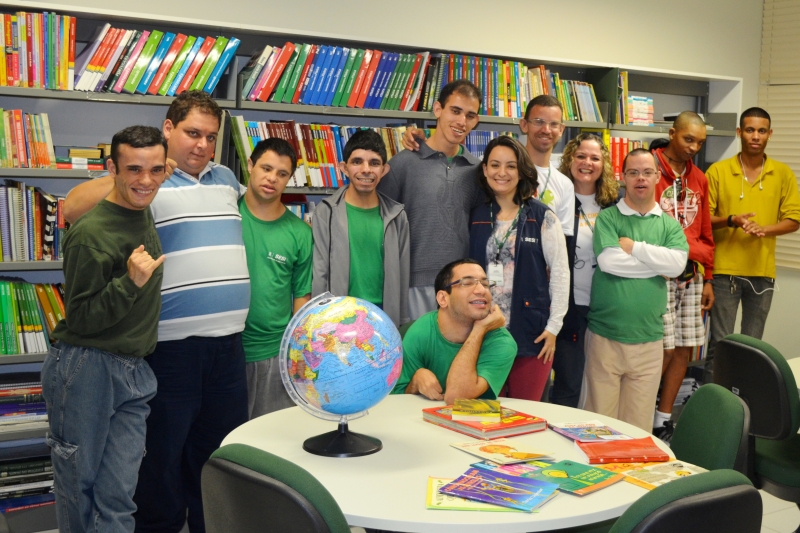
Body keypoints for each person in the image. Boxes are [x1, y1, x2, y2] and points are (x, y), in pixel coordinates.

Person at [63, 91, 250, 533]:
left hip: (228, 349)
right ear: (168, 130)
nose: (202, 145)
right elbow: (71, 208)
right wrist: (151, 171)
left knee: (219, 454)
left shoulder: (225, 177)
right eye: (191, 134)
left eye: (210, 136)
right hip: (172, 349)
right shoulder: (147, 182)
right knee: (162, 459)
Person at [43, 126, 167, 532]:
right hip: (87, 368)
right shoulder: (91, 235)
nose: (145, 180)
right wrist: (129, 283)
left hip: (134, 369)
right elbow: (81, 319)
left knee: (118, 496)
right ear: (111, 168)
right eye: (133, 169)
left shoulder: (141, 205)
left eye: (155, 170)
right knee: (78, 487)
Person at [583, 148, 688, 432]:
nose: (640, 178)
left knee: (637, 429)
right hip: (606, 336)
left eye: (646, 172)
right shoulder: (608, 218)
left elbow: (678, 265)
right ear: (622, 177)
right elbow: (609, 262)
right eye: (633, 173)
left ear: (657, 177)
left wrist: (634, 248)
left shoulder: (669, 224)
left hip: (649, 340)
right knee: (597, 426)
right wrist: (657, 262)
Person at [468, 136, 568, 401]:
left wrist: (554, 327)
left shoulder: (542, 216)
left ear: (522, 170)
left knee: (527, 416)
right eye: (495, 165)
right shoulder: (475, 214)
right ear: (485, 169)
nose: (502, 173)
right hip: (485, 334)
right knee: (485, 414)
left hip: (532, 335)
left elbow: (560, 273)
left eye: (511, 166)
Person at [705, 107, 800, 381]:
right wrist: (732, 220)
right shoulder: (718, 171)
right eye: (749, 130)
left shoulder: (782, 173)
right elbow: (704, 220)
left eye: (761, 131)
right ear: (739, 133)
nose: (755, 136)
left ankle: (745, 411)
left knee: (752, 349)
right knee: (722, 346)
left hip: (762, 273)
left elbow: (794, 219)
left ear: (769, 134)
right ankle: (715, 409)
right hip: (724, 272)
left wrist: (764, 228)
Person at [378, 80, 484, 320]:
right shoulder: (403, 163)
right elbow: (380, 226)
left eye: (469, 115)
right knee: (416, 356)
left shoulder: (478, 171)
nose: (461, 122)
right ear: (438, 109)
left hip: (461, 286)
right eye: (455, 111)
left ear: (476, 121)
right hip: (413, 286)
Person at [650, 112, 715, 441]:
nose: (693, 147)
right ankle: (642, 411)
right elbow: (649, 228)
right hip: (657, 275)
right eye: (688, 139)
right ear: (672, 133)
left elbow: (704, 230)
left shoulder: (699, 178)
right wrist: (692, 249)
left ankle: (662, 419)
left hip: (692, 277)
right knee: (659, 348)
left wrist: (710, 276)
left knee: (684, 349)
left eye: (700, 142)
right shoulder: (649, 168)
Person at [241, 138, 312, 419]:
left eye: (282, 174)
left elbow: (301, 297)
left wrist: (295, 355)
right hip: (225, 351)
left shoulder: (300, 233)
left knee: (269, 441)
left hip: (274, 353)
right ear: (250, 166)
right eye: (266, 168)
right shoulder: (227, 214)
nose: (272, 178)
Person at [313, 129, 410, 327]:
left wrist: (400, 322)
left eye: (374, 163)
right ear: (344, 168)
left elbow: (402, 274)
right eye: (357, 161)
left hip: (382, 318)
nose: (366, 169)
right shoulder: (326, 212)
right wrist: (318, 321)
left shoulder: (397, 216)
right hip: (338, 318)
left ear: (384, 170)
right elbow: (319, 272)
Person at [553, 133, 620, 408]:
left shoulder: (615, 205)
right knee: (569, 381)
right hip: (569, 308)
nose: (587, 163)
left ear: (603, 164)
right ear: (569, 159)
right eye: (581, 156)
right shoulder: (557, 201)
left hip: (605, 308)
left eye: (595, 157)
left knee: (601, 382)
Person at [391, 259, 517, 404]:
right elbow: (396, 401)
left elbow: (456, 397)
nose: (482, 290)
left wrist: (480, 329)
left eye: (486, 284)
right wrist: (414, 383)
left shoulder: (502, 342)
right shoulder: (420, 332)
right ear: (443, 298)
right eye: (467, 283)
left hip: (472, 424)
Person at [518, 95, 575, 236]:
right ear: (524, 125)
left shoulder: (564, 184)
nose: (546, 130)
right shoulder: (505, 172)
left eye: (554, 124)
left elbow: (563, 240)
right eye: (539, 122)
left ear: (561, 130)